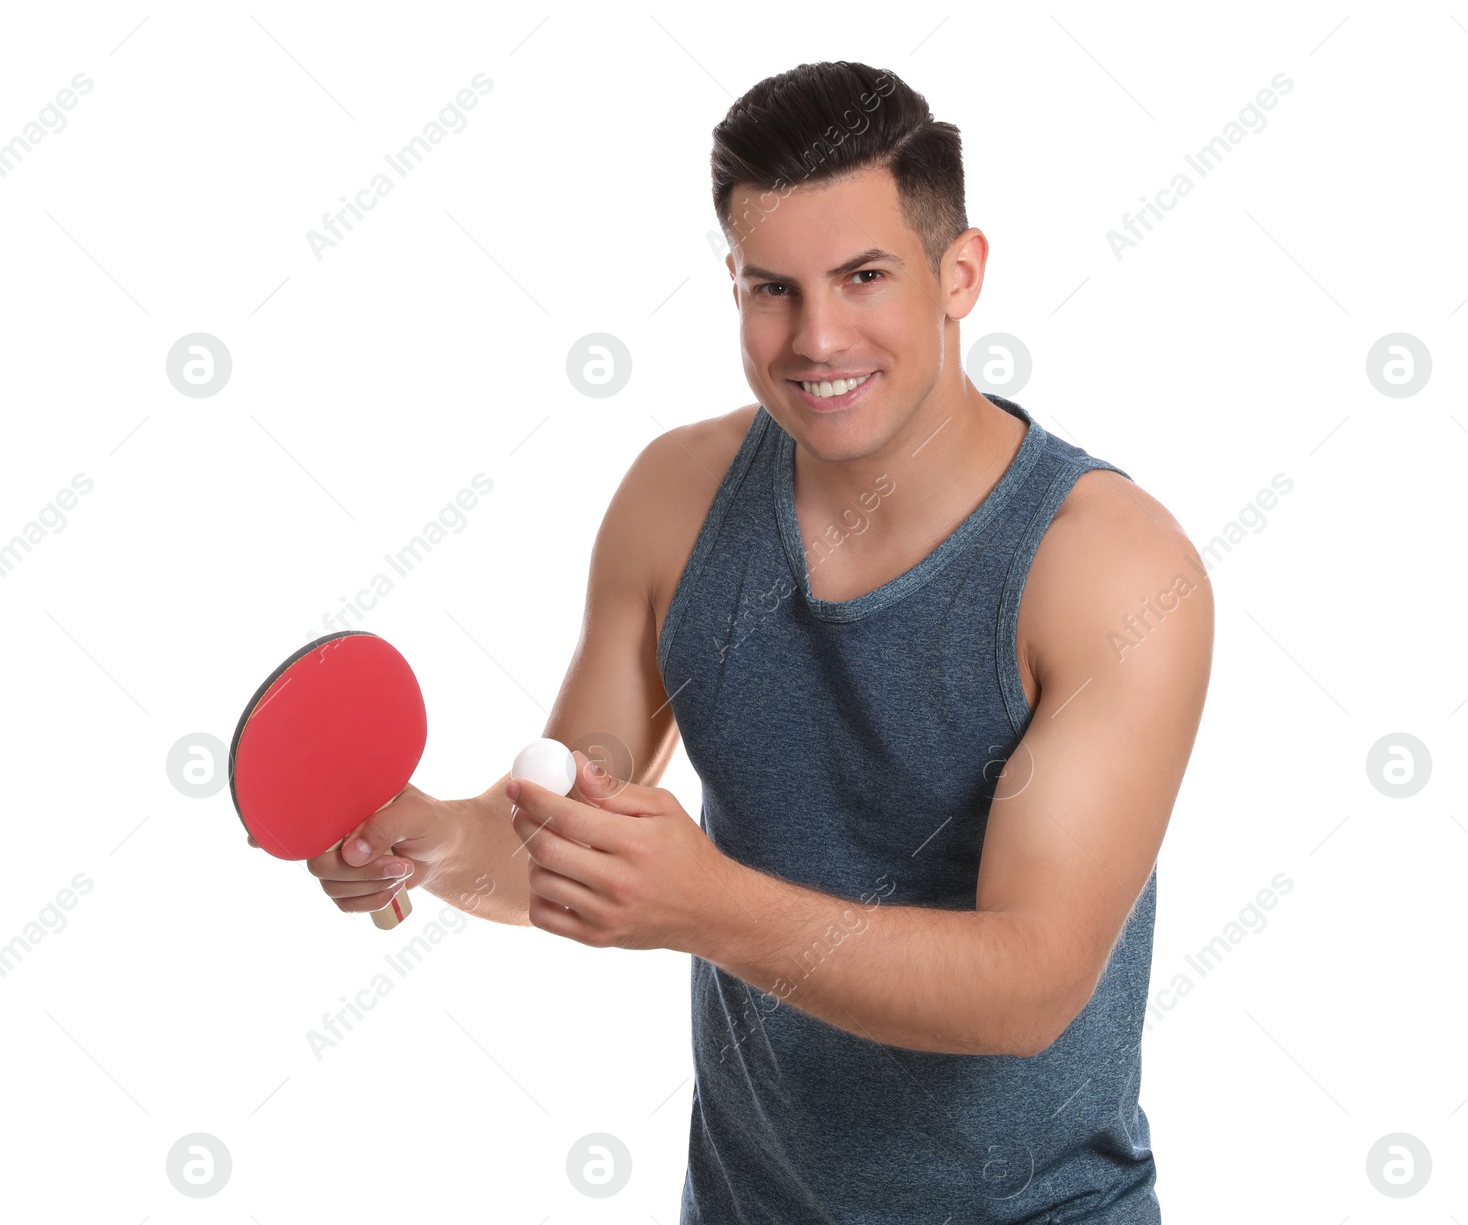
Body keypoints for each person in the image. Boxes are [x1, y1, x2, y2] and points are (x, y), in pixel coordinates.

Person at [292, 61, 1213, 1222]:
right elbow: (567, 846)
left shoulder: (1107, 565)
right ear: (731, 283)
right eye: (772, 289)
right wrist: (427, 843)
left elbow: (1029, 986)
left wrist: (705, 904)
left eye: (863, 277)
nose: (816, 336)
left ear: (959, 273)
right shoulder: (676, 498)